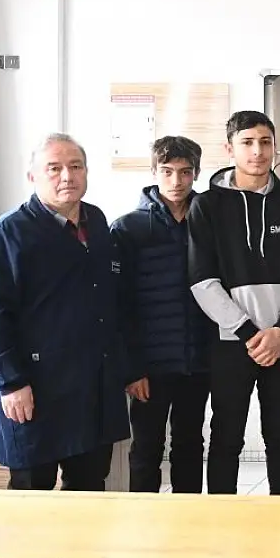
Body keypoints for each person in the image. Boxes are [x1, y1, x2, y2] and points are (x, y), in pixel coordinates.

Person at [0, 134, 132, 491]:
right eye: (54, 168)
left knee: (89, 489)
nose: (67, 176)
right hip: (34, 387)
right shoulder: (8, 233)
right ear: (32, 176)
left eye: (75, 166)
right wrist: (11, 382)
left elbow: (111, 300)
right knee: (32, 494)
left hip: (93, 387)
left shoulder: (97, 222)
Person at [188, 111, 280, 495]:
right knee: (227, 435)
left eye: (265, 142)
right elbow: (202, 281)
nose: (257, 151)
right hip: (230, 343)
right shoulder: (207, 205)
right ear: (230, 149)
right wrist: (249, 333)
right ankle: (223, 517)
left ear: (275, 148)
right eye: (247, 142)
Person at [111, 136, 213, 493]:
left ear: (196, 173)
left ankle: (188, 521)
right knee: (146, 449)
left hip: (198, 360)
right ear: (154, 172)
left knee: (190, 445)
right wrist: (132, 368)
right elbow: (118, 306)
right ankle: (144, 523)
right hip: (149, 365)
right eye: (167, 172)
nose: (176, 181)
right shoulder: (128, 228)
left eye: (185, 172)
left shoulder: (209, 221)